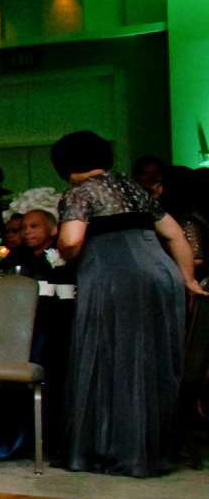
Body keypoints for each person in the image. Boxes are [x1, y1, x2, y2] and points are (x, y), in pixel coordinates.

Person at [53, 130, 202, 477]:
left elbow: (72, 239)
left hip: (116, 277)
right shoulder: (135, 188)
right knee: (151, 363)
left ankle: (112, 450)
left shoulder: (79, 193)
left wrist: (63, 252)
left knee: (112, 359)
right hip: (162, 276)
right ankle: (150, 451)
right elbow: (176, 235)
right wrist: (189, 280)